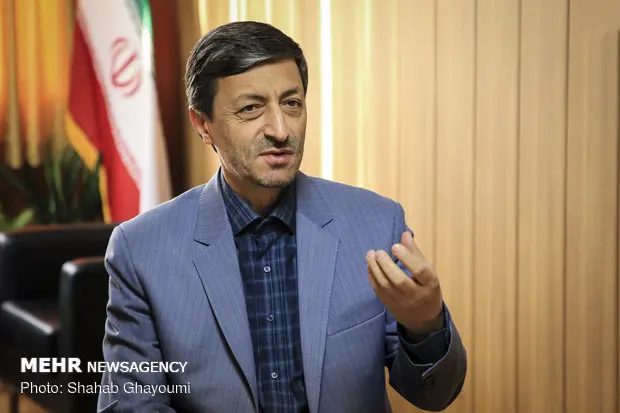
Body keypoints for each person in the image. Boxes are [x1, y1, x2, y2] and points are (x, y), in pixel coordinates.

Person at [97, 21, 466, 413]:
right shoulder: (141, 250)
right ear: (203, 125)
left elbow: (434, 395)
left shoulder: (377, 223)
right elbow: (132, 405)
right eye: (251, 108)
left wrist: (425, 325)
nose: (280, 129)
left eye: (292, 104)